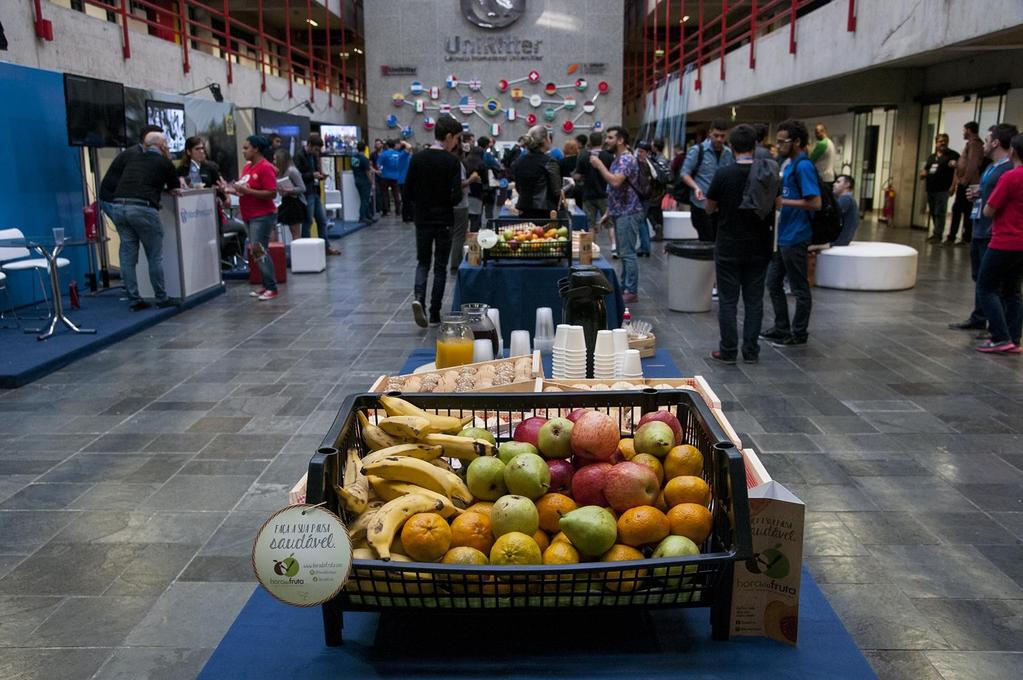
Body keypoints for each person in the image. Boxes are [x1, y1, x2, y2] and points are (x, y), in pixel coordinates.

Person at [704, 124, 776, 364]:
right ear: (755, 146)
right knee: (754, 301)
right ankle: (751, 351)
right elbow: (780, 204)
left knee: (728, 301)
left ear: (730, 146)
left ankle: (728, 350)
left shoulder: (724, 174)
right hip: (759, 246)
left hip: (728, 245)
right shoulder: (768, 173)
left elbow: (709, 207)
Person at [949, 123, 1018, 334]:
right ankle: (981, 317)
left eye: (987, 140)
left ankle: (999, 328)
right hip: (980, 227)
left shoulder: (1008, 171)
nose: (984, 144)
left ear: (996, 142)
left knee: (995, 284)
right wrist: (979, 193)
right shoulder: (991, 167)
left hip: (994, 232)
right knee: (980, 278)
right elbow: (991, 193)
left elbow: (1000, 201)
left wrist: (986, 200)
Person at [761, 119, 820, 347]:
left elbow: (815, 203)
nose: (779, 145)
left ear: (796, 141)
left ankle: (799, 332)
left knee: (798, 287)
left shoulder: (803, 166)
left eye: (782, 141)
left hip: (796, 235)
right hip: (785, 235)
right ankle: (782, 326)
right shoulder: (791, 164)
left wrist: (782, 201)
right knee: (774, 282)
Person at [110, 131, 182, 311]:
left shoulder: (132, 159)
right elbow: (175, 189)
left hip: (118, 207)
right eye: (166, 143)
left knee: (127, 256)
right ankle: (161, 297)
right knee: (154, 255)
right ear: (161, 146)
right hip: (143, 208)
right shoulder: (165, 162)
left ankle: (134, 299)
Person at [404, 116, 463, 327]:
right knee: (440, 266)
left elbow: (408, 189)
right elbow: (456, 196)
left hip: (423, 218)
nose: (456, 143)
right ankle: (435, 313)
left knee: (423, 262)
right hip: (444, 219)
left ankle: (418, 298)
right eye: (456, 138)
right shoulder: (452, 161)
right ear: (448, 137)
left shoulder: (418, 158)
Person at [976, 132, 1023, 353]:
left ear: (1013, 151)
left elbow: (989, 208)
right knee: (1012, 290)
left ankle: (1000, 337)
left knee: (986, 287)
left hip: (1005, 240)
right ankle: (1013, 338)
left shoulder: (1011, 177)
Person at [590, 125, 643, 303]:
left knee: (628, 253)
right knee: (623, 252)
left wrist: (599, 166)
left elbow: (615, 182)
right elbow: (614, 193)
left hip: (629, 212)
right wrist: (608, 212)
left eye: (611, 138)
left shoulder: (626, 159)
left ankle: (631, 290)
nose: (607, 141)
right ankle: (625, 286)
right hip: (620, 212)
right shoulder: (618, 158)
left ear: (620, 140)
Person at [231, 135, 279, 301]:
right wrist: (229, 189)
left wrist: (246, 192)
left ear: (256, 149)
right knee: (256, 251)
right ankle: (266, 285)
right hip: (249, 214)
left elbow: (272, 192)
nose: (243, 151)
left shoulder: (265, 168)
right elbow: (243, 188)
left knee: (259, 249)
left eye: (246, 148)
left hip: (262, 215)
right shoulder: (248, 168)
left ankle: (271, 287)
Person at [680, 119, 734, 242]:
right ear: (710, 133)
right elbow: (684, 173)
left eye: (722, 136)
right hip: (701, 204)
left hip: (721, 205)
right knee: (706, 238)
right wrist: (696, 187)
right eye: (716, 135)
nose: (719, 139)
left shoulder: (729, 154)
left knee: (719, 239)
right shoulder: (697, 150)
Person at [99, 125, 164, 223]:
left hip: (122, 200)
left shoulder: (144, 153)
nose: (164, 144)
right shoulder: (135, 155)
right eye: (161, 140)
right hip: (113, 200)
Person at [294, 134, 340, 255]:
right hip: (306, 192)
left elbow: (314, 172)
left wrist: (320, 175)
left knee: (322, 220)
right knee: (308, 221)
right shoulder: (299, 156)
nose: (317, 152)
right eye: (316, 149)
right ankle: (306, 249)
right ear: (309, 145)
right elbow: (297, 176)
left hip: (314, 191)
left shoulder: (313, 156)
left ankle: (326, 247)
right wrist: (312, 175)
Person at [575, 132, 616, 256]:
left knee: (590, 223)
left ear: (590, 142)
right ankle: (614, 247)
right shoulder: (609, 156)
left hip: (588, 194)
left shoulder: (583, 156)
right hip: (605, 194)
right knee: (610, 223)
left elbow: (578, 175)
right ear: (602, 141)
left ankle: (593, 249)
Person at [512, 125, 562, 220]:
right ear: (544, 140)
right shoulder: (549, 162)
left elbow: (518, 187)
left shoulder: (519, 161)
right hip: (545, 211)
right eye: (548, 137)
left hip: (524, 208)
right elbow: (556, 190)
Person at [919, 133, 960, 243]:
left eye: (945, 141)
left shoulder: (953, 155)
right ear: (936, 143)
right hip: (931, 189)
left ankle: (938, 235)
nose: (943, 143)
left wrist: (953, 186)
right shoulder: (932, 157)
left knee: (940, 212)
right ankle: (936, 233)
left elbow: (957, 171)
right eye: (941, 141)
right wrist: (923, 173)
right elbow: (926, 169)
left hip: (943, 189)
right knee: (933, 211)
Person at [949, 121, 984, 245]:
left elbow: (972, 164)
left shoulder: (975, 144)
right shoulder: (971, 144)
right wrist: (957, 164)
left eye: (964, 130)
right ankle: (961, 237)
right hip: (968, 182)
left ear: (969, 130)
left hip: (970, 183)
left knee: (964, 210)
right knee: (961, 209)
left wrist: (964, 181)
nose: (963, 133)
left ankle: (963, 237)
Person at [449, 140, 480, 274]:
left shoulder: (446, 162)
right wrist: (472, 179)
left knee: (453, 233)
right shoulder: (458, 164)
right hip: (460, 203)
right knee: (459, 235)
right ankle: (456, 263)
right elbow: (461, 184)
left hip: (448, 203)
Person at [273, 148, 307, 241]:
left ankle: (297, 252)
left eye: (275, 159)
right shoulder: (279, 172)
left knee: (295, 231)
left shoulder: (292, 171)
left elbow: (302, 188)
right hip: (285, 201)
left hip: (294, 203)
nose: (274, 161)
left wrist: (289, 190)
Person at [463, 142, 489, 232]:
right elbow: (486, 181)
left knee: (464, 219)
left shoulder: (464, 162)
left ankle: (463, 239)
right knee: (475, 219)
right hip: (477, 194)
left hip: (465, 193)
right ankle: (473, 240)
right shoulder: (481, 164)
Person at [351, 141, 375, 225]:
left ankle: (368, 215)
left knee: (363, 198)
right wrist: (372, 182)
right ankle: (362, 217)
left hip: (357, 180)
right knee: (365, 199)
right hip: (364, 181)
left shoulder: (354, 158)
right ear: (365, 149)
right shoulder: (364, 159)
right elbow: (368, 172)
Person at [378, 139, 404, 217]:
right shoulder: (399, 154)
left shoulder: (384, 154)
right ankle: (398, 211)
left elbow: (379, 165)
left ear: (387, 146)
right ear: (394, 145)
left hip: (385, 176)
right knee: (396, 194)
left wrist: (381, 169)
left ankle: (386, 211)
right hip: (396, 176)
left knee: (385, 194)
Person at [832, 174, 859, 246]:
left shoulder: (845, 198)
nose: (834, 184)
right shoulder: (847, 198)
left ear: (847, 184)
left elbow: (831, 216)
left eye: (838, 182)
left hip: (838, 241)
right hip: (842, 239)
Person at [370, 138, 385, 215]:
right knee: (377, 192)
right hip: (376, 175)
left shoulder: (385, 153)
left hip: (385, 175)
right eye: (376, 144)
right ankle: (378, 209)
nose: (377, 145)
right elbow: (370, 165)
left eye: (379, 144)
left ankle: (385, 209)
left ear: (382, 145)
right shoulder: (372, 154)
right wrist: (376, 171)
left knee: (384, 192)